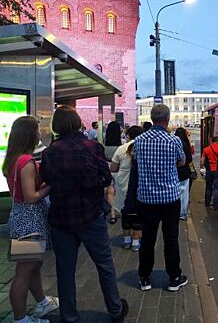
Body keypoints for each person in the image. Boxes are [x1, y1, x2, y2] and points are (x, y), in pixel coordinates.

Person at [40, 106, 128, 323]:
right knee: (104, 265)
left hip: (61, 219)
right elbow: (106, 178)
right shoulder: (91, 147)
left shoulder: (49, 152)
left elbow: (47, 180)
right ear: (77, 122)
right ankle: (115, 310)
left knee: (65, 270)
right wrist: (88, 185)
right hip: (90, 216)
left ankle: (69, 317)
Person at [2, 116, 59, 323]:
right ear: (29, 134)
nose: (39, 134)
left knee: (32, 266)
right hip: (30, 222)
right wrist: (51, 184)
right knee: (24, 272)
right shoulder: (26, 162)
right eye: (36, 130)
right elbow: (31, 196)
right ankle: (21, 319)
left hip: (20, 218)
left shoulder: (13, 159)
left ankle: (42, 302)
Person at [135, 104, 188, 292]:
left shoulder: (139, 140)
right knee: (171, 238)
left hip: (146, 199)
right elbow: (182, 161)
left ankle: (144, 278)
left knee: (147, 239)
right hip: (169, 199)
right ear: (167, 119)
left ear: (151, 118)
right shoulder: (173, 141)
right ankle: (174, 278)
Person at [110, 125, 144, 251]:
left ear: (128, 135)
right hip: (140, 187)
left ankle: (126, 241)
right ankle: (135, 243)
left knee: (126, 213)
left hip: (123, 185)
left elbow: (113, 168)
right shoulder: (143, 147)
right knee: (137, 214)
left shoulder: (121, 149)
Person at [105, 121, 123, 224]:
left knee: (110, 192)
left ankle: (112, 215)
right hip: (119, 169)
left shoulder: (105, 143)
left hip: (108, 169)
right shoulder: (122, 143)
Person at [174, 128, 193, 220]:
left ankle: (174, 212)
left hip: (174, 172)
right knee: (184, 193)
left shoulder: (173, 143)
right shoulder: (185, 144)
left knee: (174, 193)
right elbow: (189, 159)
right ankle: (182, 213)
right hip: (184, 171)